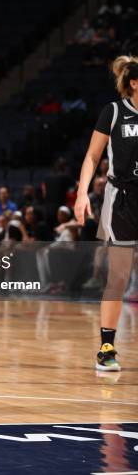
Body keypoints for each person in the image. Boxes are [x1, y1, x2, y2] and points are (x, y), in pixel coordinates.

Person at [74, 55, 138, 372]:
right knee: (119, 277)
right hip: (123, 200)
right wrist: (82, 193)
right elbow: (91, 156)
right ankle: (107, 347)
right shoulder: (114, 112)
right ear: (134, 83)